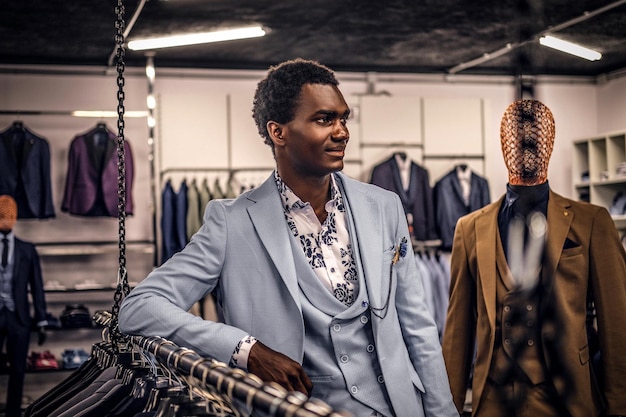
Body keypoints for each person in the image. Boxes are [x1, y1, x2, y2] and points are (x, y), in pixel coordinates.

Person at [119, 58, 458, 417]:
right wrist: (246, 350)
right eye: (324, 119)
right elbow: (138, 308)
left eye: (344, 118)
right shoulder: (232, 223)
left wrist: (444, 412)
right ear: (278, 132)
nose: (341, 132)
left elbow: (418, 326)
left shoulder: (383, 206)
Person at [441, 99, 626, 417]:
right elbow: (458, 330)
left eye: (536, 134)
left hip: (566, 399)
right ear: (503, 144)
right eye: (517, 134)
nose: (527, 145)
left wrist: (619, 405)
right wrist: (447, 406)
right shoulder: (469, 228)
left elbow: (617, 321)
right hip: (492, 402)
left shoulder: (591, 221)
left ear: (551, 143)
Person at [0, 194, 48, 417]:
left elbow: (37, 286)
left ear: (15, 217)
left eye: (8, 215)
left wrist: (41, 318)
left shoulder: (26, 249)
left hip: (18, 317)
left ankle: (12, 414)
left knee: (19, 370)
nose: (5, 219)